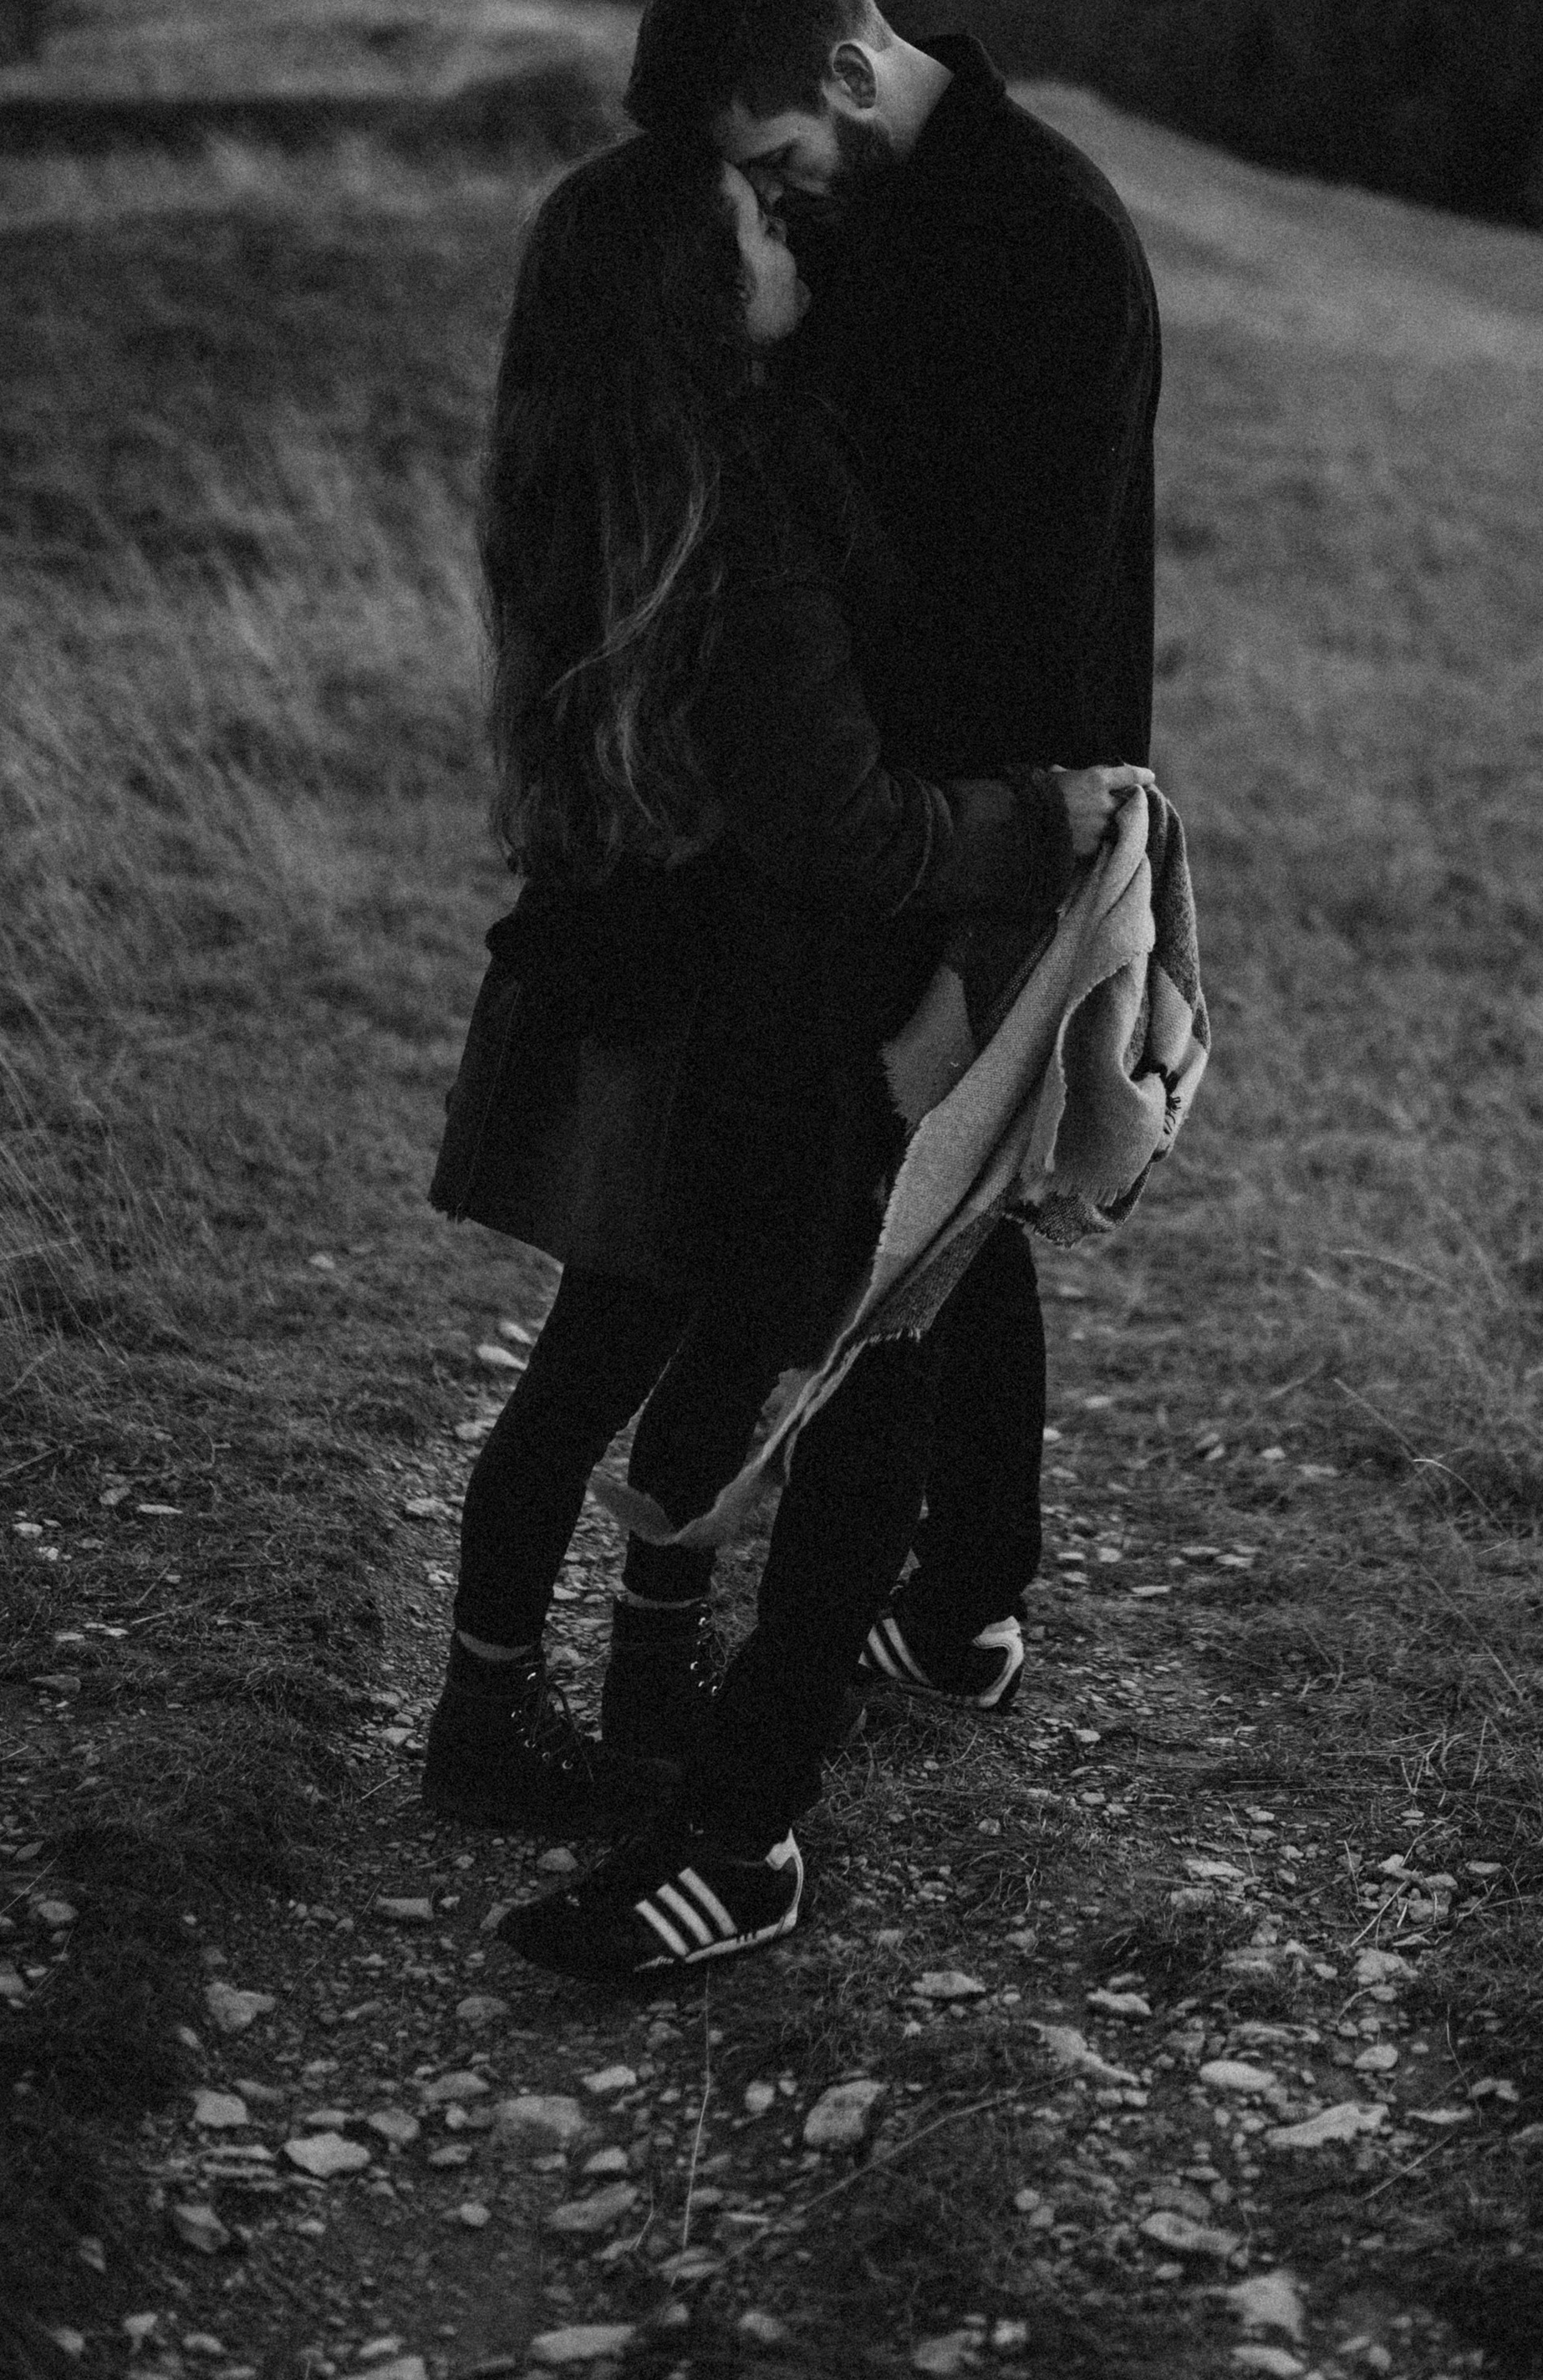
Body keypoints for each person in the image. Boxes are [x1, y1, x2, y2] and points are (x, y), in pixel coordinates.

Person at [421, 124, 1143, 1837]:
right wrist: (1028, 823)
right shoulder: (742, 514)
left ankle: (541, 1691)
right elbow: (833, 819)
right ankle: (540, 1705)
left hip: (618, 984)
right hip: (689, 1016)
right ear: (691, 297)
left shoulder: (606, 477)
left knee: (621, 1354)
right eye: (758, 217)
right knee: (659, 1349)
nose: (795, 228)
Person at [624, 0, 1161, 1720]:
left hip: (984, 808)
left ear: (849, 76)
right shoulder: (896, 213)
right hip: (892, 796)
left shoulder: (1044, 242)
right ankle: (953, 1598)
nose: (781, 206)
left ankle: (926, 1614)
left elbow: (1018, 602)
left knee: (940, 1199)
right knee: (939, 1200)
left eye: (780, 165)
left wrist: (935, 862)